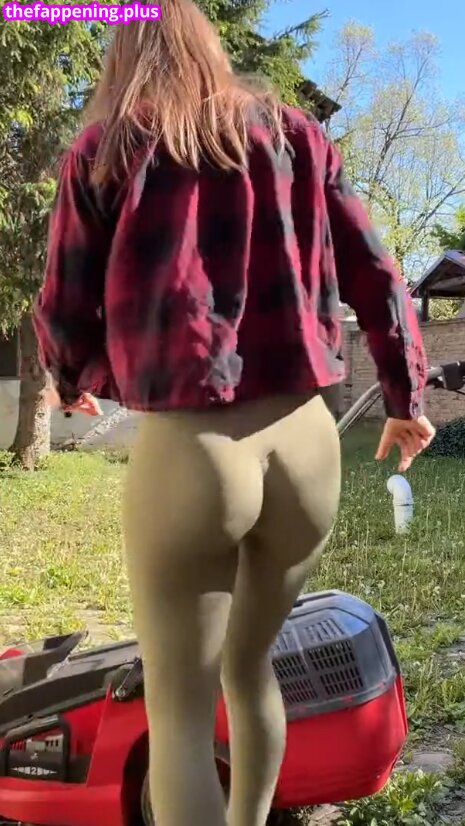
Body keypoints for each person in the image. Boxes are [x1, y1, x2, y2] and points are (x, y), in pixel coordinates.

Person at [34, 2, 435, 824]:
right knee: (250, 671)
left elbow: (66, 296)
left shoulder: (108, 146)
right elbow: (376, 272)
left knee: (179, 713)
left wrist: (70, 377)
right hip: (308, 442)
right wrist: (404, 398)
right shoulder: (298, 136)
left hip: (194, 446)